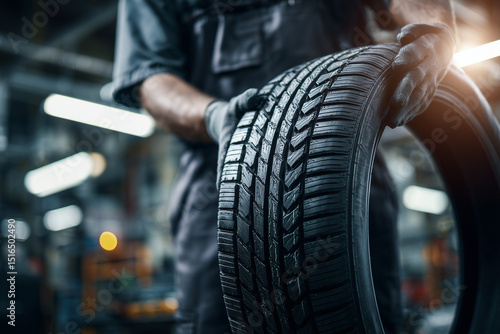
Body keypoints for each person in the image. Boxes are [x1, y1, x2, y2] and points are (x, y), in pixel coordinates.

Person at [112, 1, 456, 333]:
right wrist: (214, 116)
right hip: (223, 194)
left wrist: (433, 30)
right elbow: (150, 77)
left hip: (348, 183)